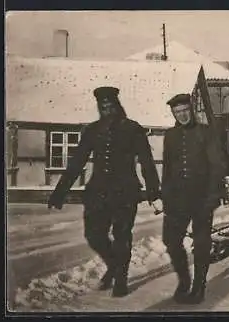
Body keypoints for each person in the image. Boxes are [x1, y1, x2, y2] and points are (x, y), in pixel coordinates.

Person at [47, 87, 161, 297]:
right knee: (93, 235)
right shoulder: (92, 130)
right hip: (97, 192)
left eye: (110, 105)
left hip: (125, 192)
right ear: (99, 107)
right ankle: (115, 266)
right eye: (103, 106)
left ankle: (121, 280)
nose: (107, 109)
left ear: (117, 105)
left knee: (122, 236)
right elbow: (77, 161)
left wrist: (153, 190)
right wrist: (59, 192)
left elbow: (146, 160)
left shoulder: (133, 129)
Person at [160, 93, 226, 304]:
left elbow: (217, 166)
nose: (182, 115)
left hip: (202, 198)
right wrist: (166, 195)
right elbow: (168, 169)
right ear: (173, 113)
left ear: (192, 110)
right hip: (177, 199)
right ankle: (184, 280)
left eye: (185, 111)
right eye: (177, 112)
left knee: (201, 242)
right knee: (170, 240)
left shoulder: (206, 133)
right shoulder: (170, 136)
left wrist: (213, 196)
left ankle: (199, 286)